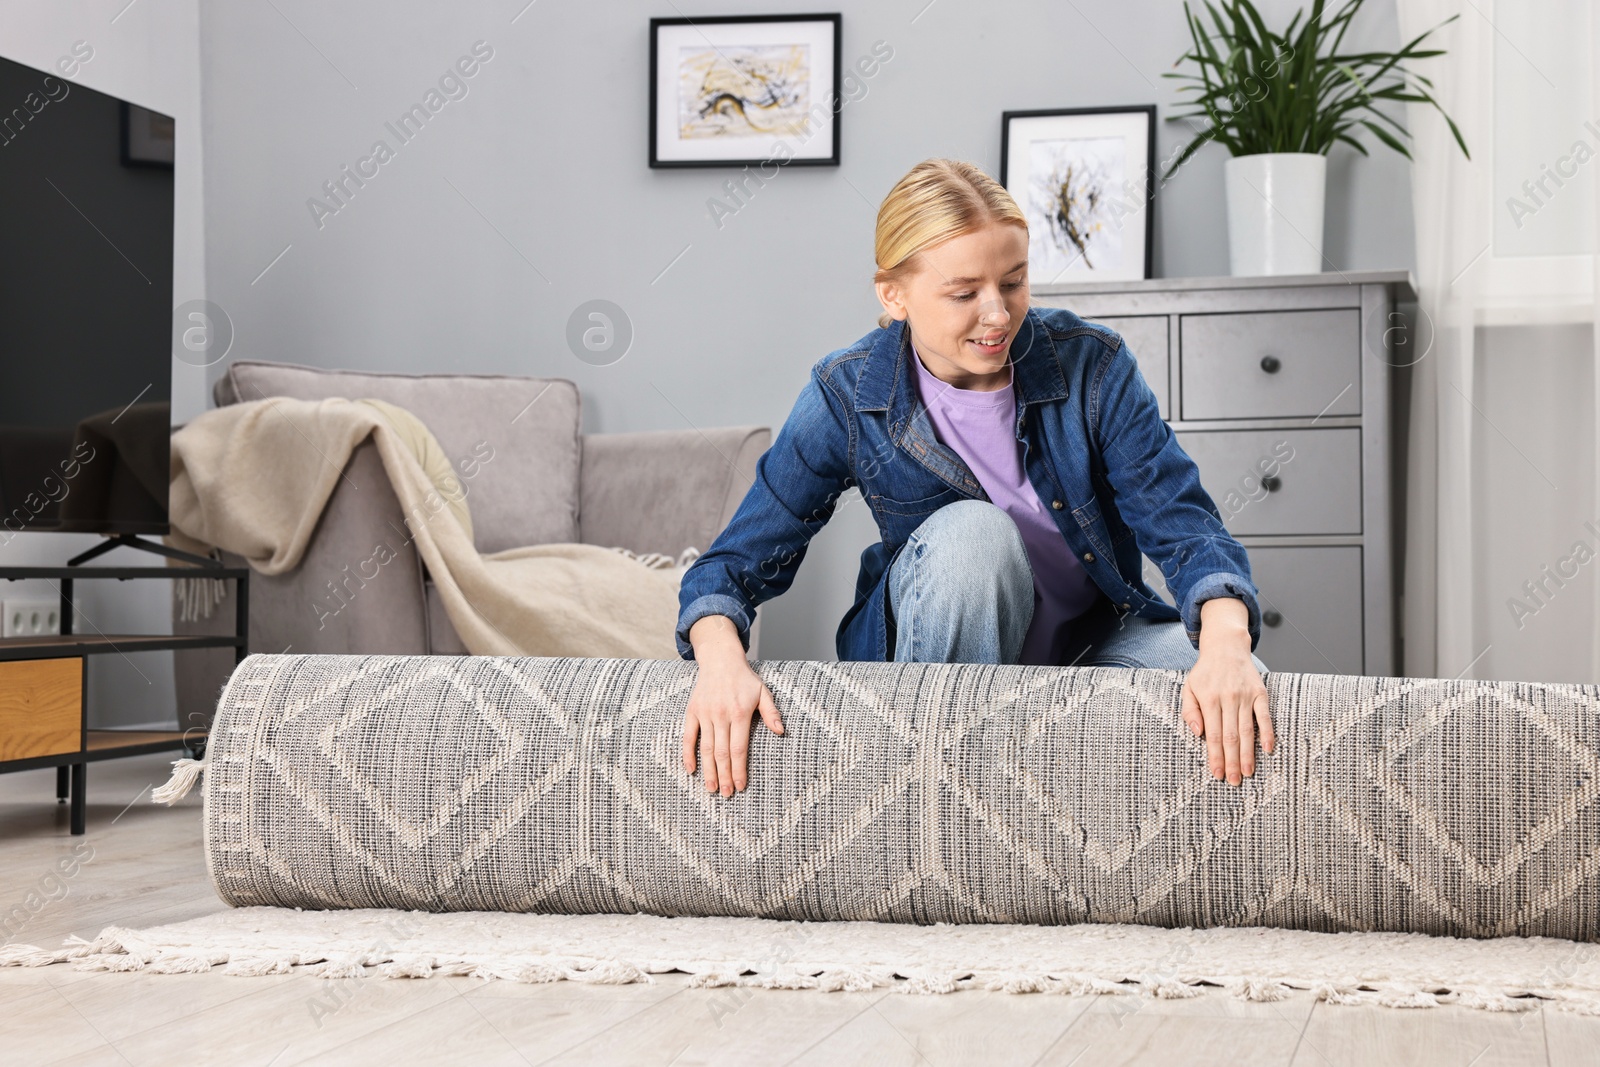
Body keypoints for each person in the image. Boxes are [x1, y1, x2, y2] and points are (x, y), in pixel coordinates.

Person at [675, 157, 1273, 800]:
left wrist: (1227, 643)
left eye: (1013, 283)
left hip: (1093, 640)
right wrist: (719, 662)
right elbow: (733, 564)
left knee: (1243, 693)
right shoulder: (847, 392)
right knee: (974, 537)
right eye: (964, 293)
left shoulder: (1091, 366)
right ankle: (931, 816)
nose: (997, 315)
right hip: (937, 656)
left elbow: (1183, 523)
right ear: (893, 294)